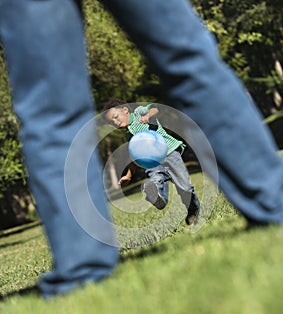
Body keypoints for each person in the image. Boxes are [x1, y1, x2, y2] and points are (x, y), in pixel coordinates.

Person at [0, 0, 282, 298]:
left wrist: (148, 117)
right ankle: (273, 202)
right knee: (187, 60)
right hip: (155, 163)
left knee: (53, 111)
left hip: (169, 153)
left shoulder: (138, 116)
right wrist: (128, 172)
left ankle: (81, 270)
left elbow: (149, 113)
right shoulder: (129, 133)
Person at [103, 100, 200, 225]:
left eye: (115, 117)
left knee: (185, 187)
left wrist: (147, 116)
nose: (115, 122)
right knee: (156, 179)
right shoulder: (129, 136)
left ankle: (193, 211)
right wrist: (128, 175)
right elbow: (135, 157)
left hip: (169, 153)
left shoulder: (139, 113)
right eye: (112, 122)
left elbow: (154, 108)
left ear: (125, 110)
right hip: (152, 163)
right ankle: (157, 197)